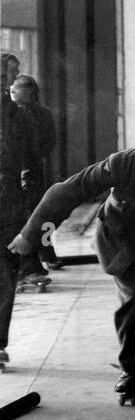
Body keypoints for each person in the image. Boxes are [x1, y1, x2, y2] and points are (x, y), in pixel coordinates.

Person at [9, 115, 135, 402]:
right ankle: (131, 372)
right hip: (120, 239)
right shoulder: (121, 163)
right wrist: (30, 235)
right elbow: (68, 191)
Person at [0, 60, 41, 371]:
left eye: (5, 74)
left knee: (5, 276)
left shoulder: (21, 116)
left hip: (10, 205)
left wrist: (27, 203)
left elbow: (31, 161)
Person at [8, 74, 62, 276]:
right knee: (34, 215)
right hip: (22, 171)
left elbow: (50, 141)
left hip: (34, 171)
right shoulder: (12, 114)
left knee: (42, 214)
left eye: (25, 94)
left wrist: (35, 155)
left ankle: (47, 254)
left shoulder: (41, 114)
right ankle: (36, 259)